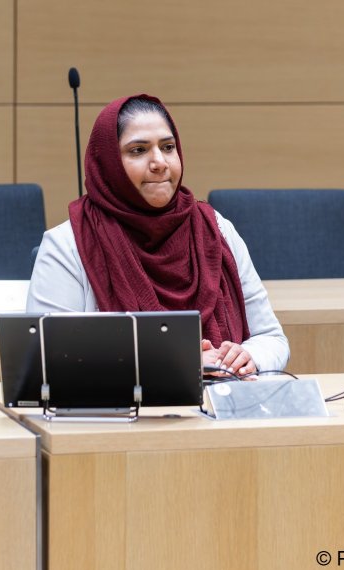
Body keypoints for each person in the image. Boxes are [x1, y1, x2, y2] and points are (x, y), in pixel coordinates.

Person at [27, 94, 289, 376]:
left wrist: (248, 356)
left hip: (222, 409)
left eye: (168, 147)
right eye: (138, 150)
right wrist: (179, 364)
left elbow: (272, 339)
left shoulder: (216, 229)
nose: (159, 162)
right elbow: (48, 357)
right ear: (109, 163)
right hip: (119, 415)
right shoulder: (68, 244)